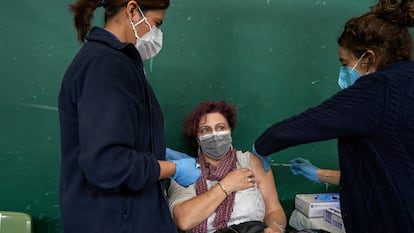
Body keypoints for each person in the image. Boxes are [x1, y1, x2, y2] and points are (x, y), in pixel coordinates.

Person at [252, 0, 414, 231]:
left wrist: (262, 146)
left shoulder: (379, 87)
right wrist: (318, 174)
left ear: (369, 58)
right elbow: (385, 172)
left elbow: (309, 123)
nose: (343, 72)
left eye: (345, 63)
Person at [58, 0, 201, 232]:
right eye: (156, 23)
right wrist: (172, 169)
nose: (156, 34)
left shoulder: (114, 62)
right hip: (114, 220)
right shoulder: (106, 65)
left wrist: (155, 151)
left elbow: (110, 140)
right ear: (133, 10)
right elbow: (108, 164)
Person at [168, 101, 287, 233]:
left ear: (230, 131)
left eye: (221, 128)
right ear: (197, 139)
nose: (215, 135)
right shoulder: (185, 170)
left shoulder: (249, 162)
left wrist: (276, 227)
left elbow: (274, 209)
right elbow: (184, 221)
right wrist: (227, 185)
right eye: (206, 130)